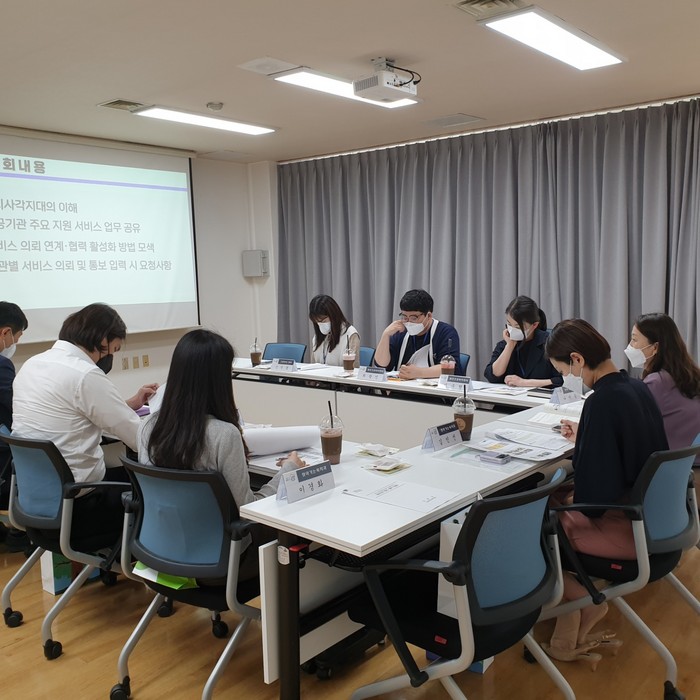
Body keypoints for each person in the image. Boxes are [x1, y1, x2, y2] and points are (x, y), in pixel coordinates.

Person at [543, 319, 668, 666]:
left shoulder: (601, 402)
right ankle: (575, 613)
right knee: (556, 497)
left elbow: (594, 501)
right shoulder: (636, 387)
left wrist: (569, 497)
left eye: (562, 371)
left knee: (533, 519)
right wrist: (587, 436)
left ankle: (581, 602)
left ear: (577, 359)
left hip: (626, 527)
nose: (565, 378)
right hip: (653, 518)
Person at [138, 328, 302, 581]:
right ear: (219, 380)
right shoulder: (224, 435)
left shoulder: (148, 427)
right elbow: (249, 510)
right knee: (298, 526)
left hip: (161, 550)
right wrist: (288, 472)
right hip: (223, 563)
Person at [12, 303, 158, 542]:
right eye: (113, 350)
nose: (111, 357)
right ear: (102, 339)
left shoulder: (32, 365)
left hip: (34, 503)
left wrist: (127, 404)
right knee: (157, 489)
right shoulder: (85, 374)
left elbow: (70, 411)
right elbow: (138, 438)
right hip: (81, 510)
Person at [626, 313, 700, 463]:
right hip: (689, 462)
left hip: (672, 465)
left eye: (634, 339)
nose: (630, 346)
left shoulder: (656, 383)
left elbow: (629, 426)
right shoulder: (689, 375)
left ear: (655, 347)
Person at [374, 289, 460, 379]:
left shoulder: (445, 332)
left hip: (434, 386)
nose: (409, 322)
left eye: (414, 318)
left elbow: (451, 368)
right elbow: (382, 365)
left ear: (429, 316)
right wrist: (385, 335)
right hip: (403, 385)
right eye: (404, 317)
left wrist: (420, 373)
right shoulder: (400, 331)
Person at [484, 295, 562, 388]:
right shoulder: (505, 343)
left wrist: (524, 383)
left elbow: (561, 380)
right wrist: (509, 346)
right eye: (509, 324)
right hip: (509, 396)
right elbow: (492, 376)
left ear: (534, 325)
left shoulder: (550, 343)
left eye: (518, 327)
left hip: (540, 396)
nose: (512, 330)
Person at [0, 302, 29, 550]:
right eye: (17, 337)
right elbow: (15, 408)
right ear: (5, 332)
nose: (15, 343)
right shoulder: (2, 365)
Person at [309, 294, 360, 367]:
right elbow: (312, 365)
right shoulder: (317, 337)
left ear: (333, 315)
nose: (320, 324)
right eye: (317, 321)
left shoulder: (350, 334)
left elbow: (353, 368)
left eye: (323, 321)